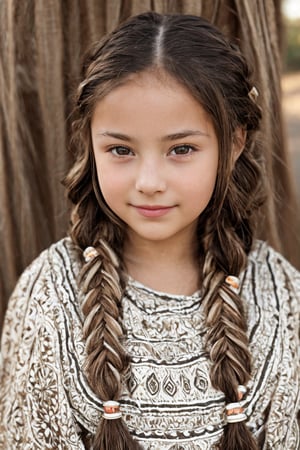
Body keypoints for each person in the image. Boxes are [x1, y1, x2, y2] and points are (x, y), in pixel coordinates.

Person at [0, 11, 299, 450]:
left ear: (233, 144)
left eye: (181, 149)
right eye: (121, 149)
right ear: (90, 144)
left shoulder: (281, 296)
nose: (149, 181)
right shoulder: (50, 298)